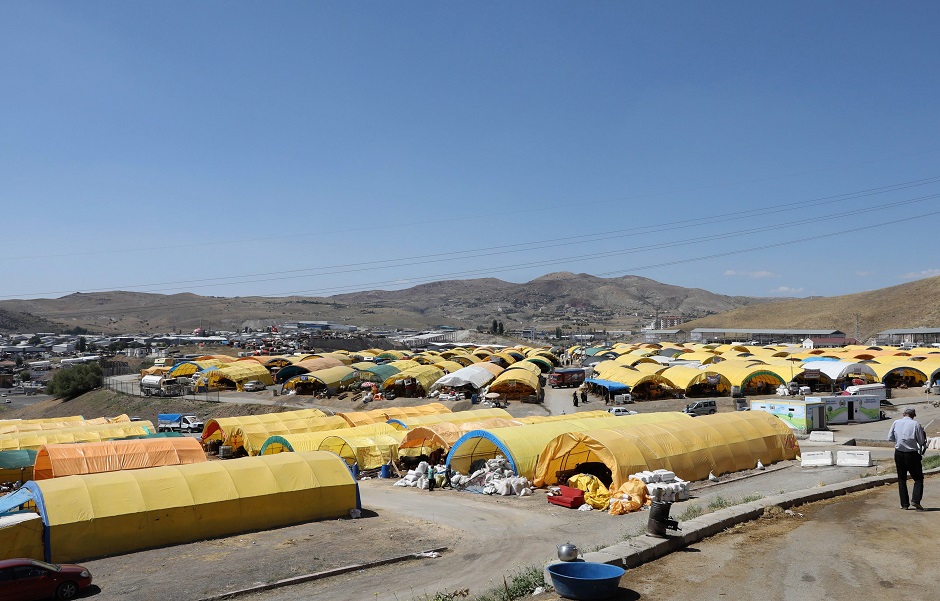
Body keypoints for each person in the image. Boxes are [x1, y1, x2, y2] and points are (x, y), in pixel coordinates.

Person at [887, 406, 927, 510]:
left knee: (901, 479)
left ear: (904, 414)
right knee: (918, 478)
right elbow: (921, 441)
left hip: (899, 453)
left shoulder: (896, 422)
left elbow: (890, 438)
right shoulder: (916, 424)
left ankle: (904, 504)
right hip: (912, 454)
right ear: (913, 415)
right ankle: (915, 500)